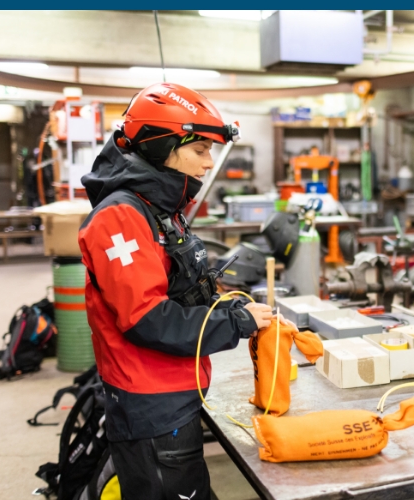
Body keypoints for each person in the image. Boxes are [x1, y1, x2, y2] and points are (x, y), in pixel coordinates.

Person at [79, 82, 285, 500]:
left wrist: (222, 304)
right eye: (201, 150)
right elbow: (147, 318)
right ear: (161, 147)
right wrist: (234, 323)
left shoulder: (160, 208)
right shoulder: (121, 217)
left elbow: (175, 289)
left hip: (173, 389)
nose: (209, 162)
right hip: (151, 400)